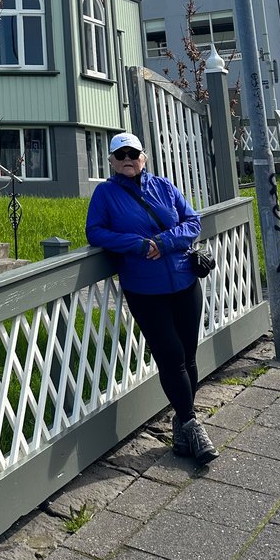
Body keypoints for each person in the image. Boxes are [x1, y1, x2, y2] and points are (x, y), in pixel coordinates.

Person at [85, 131, 218, 465]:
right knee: (170, 354)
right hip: (145, 288)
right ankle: (192, 423)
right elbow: (96, 231)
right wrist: (140, 245)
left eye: (134, 153)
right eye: (121, 155)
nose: (128, 159)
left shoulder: (163, 186)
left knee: (188, 354)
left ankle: (182, 425)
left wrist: (165, 241)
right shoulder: (106, 193)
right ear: (112, 161)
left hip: (185, 281)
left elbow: (193, 221)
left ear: (144, 157)